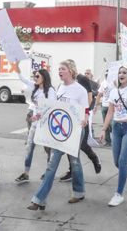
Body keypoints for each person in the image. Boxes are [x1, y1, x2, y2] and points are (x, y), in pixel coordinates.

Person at [28, 59, 89, 210]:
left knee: (75, 163)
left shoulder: (79, 89)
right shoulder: (60, 87)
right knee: (51, 164)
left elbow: (86, 110)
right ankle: (39, 199)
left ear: (71, 70)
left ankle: (79, 192)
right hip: (60, 133)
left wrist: (85, 120)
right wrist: (39, 115)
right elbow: (53, 108)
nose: (59, 71)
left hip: (75, 132)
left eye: (62, 69)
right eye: (59, 69)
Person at [100, 66, 127, 207]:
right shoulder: (114, 91)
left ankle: (119, 194)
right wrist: (104, 129)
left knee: (123, 160)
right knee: (117, 162)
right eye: (120, 72)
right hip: (116, 128)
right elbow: (110, 112)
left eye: (124, 72)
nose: (121, 74)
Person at [15, 62, 56, 184]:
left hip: (45, 125)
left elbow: (51, 107)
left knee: (48, 150)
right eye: (34, 77)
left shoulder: (50, 91)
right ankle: (26, 173)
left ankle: (49, 172)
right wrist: (16, 65)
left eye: (37, 76)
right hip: (35, 125)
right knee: (29, 147)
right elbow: (22, 78)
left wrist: (38, 115)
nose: (35, 78)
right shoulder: (35, 87)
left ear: (44, 77)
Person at [59, 70, 101, 182]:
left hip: (81, 117)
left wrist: (83, 114)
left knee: (82, 144)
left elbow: (89, 98)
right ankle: (72, 171)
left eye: (65, 68)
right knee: (69, 145)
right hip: (68, 119)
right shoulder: (65, 83)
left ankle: (94, 158)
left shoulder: (82, 79)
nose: (62, 71)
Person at [94, 70, 115, 146]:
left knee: (112, 124)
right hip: (104, 106)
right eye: (106, 75)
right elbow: (99, 94)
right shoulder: (104, 83)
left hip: (111, 106)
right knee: (106, 124)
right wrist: (96, 105)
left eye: (107, 75)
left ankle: (115, 140)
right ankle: (108, 141)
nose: (106, 76)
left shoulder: (113, 83)